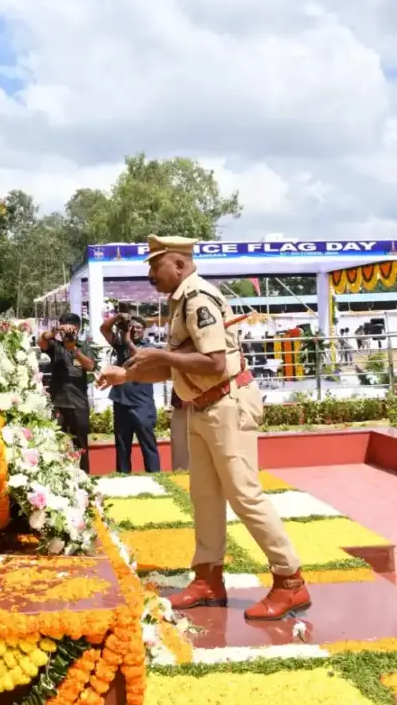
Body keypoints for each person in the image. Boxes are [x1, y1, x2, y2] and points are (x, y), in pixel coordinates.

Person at [98, 235, 311, 622]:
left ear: (178, 264)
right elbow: (177, 365)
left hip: (226, 405)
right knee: (205, 496)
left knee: (245, 495)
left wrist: (156, 356)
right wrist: (125, 374)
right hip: (203, 407)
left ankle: (290, 582)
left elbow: (213, 362)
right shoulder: (181, 300)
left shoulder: (198, 298)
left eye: (154, 265)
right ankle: (208, 579)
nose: (149, 273)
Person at [100, 313, 161, 473]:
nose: (134, 331)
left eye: (139, 328)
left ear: (144, 331)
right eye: (132, 327)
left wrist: (127, 340)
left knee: (148, 444)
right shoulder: (121, 345)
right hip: (121, 402)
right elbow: (104, 329)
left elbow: (141, 360)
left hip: (142, 404)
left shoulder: (151, 348)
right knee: (122, 446)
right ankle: (122, 477)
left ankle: (155, 475)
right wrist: (118, 317)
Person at [39, 313, 96, 473]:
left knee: (81, 444)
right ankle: (58, 476)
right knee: (55, 442)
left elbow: (91, 366)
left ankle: (84, 476)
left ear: (78, 329)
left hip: (78, 403)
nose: (70, 332)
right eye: (66, 327)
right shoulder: (56, 346)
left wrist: (74, 349)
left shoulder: (84, 346)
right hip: (58, 403)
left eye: (72, 327)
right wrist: (56, 330)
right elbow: (41, 341)